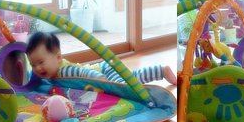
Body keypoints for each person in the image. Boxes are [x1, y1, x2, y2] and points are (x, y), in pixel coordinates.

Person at [25, 31, 177, 86]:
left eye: (41, 62)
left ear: (58, 57)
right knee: (131, 77)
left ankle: (161, 71)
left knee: (123, 86)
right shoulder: (50, 72)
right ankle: (160, 71)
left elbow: (84, 73)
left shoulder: (64, 71)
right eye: (33, 64)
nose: (37, 68)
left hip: (103, 71)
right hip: (104, 68)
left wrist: (100, 79)